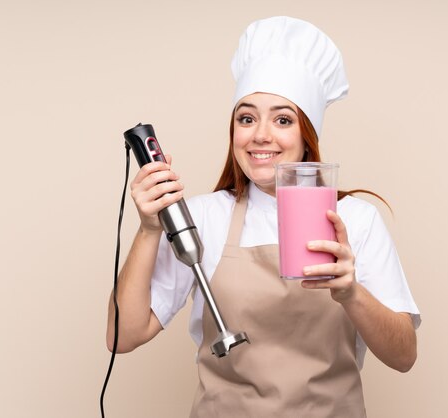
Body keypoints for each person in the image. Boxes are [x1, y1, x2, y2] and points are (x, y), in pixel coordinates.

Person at [107, 16, 421, 417]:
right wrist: (150, 228)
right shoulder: (202, 217)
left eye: (283, 119)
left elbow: (404, 356)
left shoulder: (356, 221)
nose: (261, 135)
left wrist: (351, 293)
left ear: (307, 137)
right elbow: (123, 336)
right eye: (247, 118)